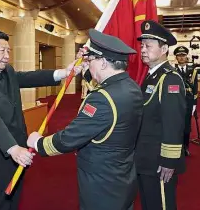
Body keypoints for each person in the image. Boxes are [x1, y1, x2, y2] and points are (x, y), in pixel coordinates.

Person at [27, 29, 143, 210]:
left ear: (104, 62)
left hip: (102, 184)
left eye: (91, 60)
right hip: (123, 176)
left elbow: (70, 138)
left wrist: (38, 143)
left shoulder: (102, 98)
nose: (89, 64)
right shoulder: (131, 87)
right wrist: (87, 69)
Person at [0, 30, 79, 210]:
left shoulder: (7, 71)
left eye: (8, 51)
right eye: (2, 51)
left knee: (14, 202)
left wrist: (63, 73)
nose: (7, 56)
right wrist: (13, 148)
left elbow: (27, 77)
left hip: (18, 153)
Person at [135, 20, 186, 210]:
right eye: (142, 45)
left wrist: (168, 160)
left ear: (164, 48)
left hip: (159, 161)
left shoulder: (169, 78)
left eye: (148, 45)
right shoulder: (151, 76)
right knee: (149, 203)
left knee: (162, 205)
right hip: (146, 157)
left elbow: (173, 122)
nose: (143, 49)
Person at [174, 46, 198, 156]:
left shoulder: (193, 71)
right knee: (176, 125)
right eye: (179, 56)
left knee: (187, 126)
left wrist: (194, 104)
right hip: (176, 101)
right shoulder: (172, 70)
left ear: (186, 56)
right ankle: (176, 147)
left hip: (188, 102)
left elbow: (195, 89)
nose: (181, 57)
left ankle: (186, 147)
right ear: (176, 57)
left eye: (183, 55)